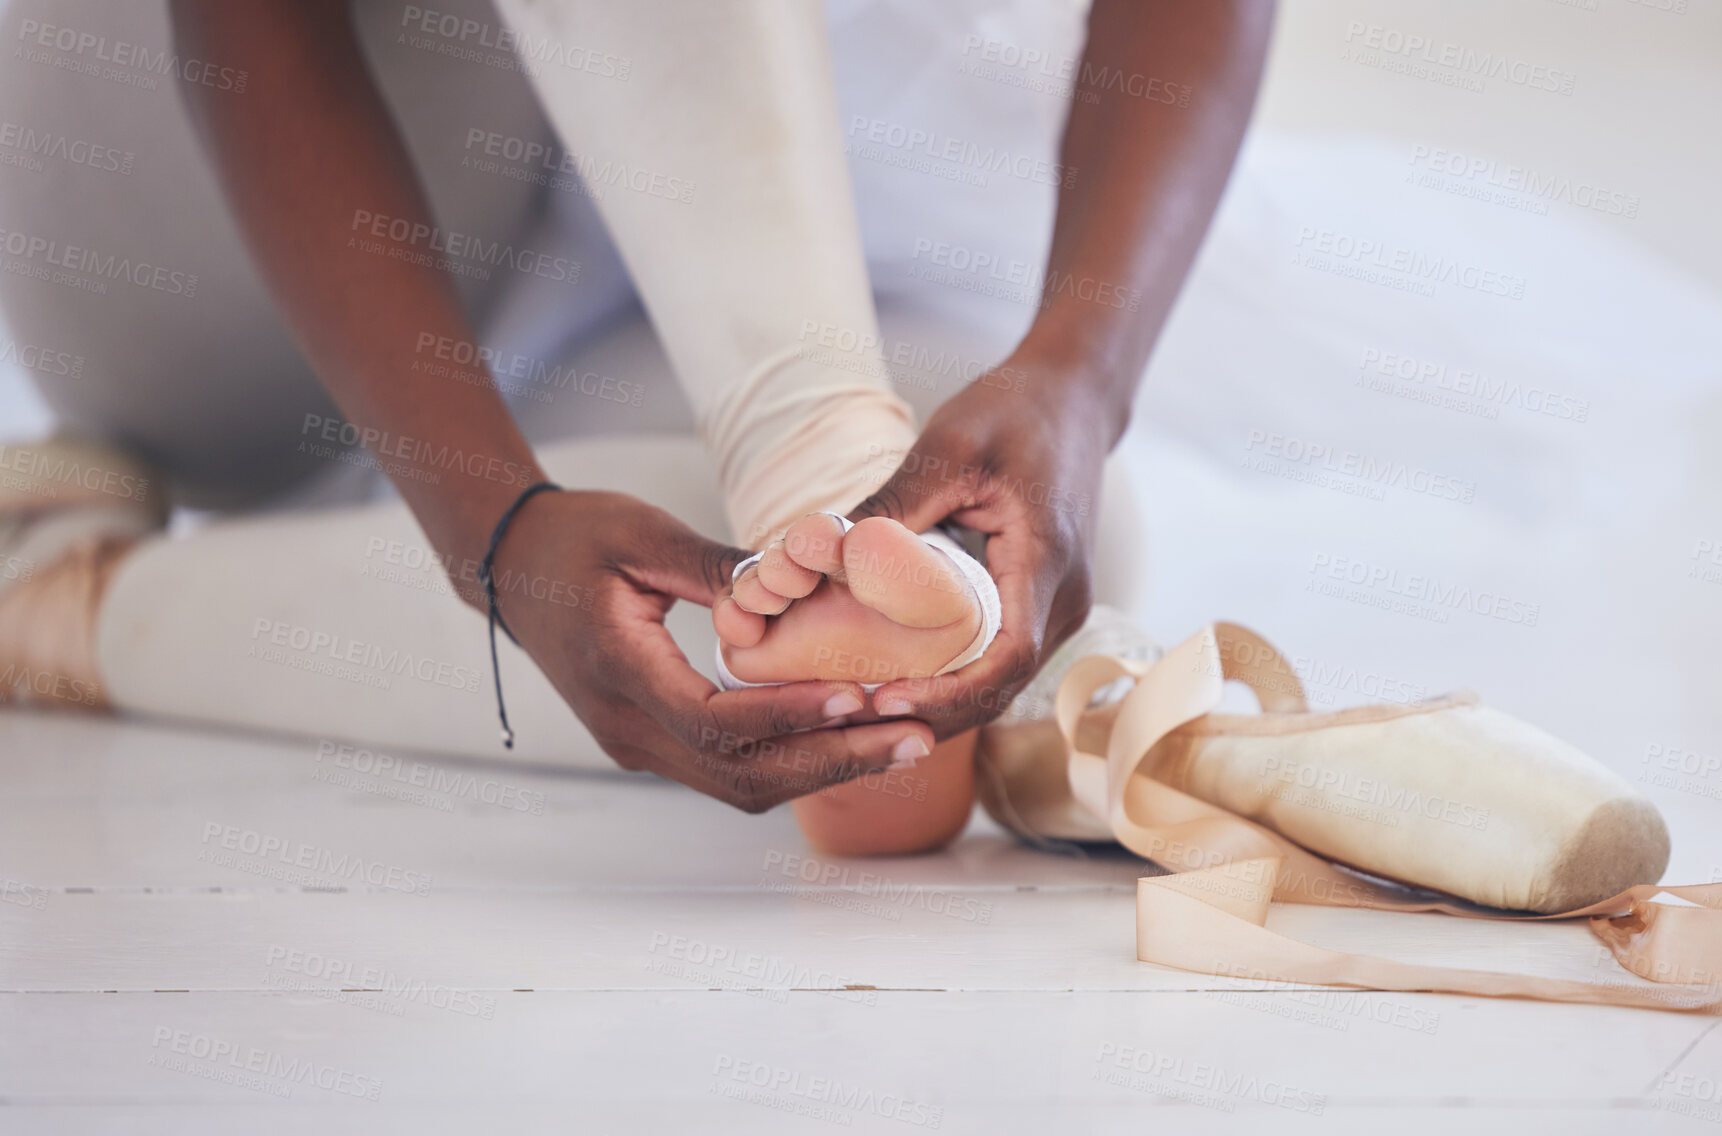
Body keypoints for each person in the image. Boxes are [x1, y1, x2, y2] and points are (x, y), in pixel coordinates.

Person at [0, 0, 1271, 853]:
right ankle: (814, 449)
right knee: (914, 532)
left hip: (618, 273)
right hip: (195, 252)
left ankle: (63, 602)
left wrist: (1077, 373)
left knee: (1047, 523)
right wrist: (483, 525)